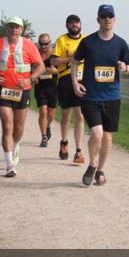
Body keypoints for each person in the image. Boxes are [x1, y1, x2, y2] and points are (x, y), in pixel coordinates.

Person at [72, 5, 129, 187]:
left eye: (110, 16)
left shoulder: (120, 43)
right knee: (96, 133)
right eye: (103, 16)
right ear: (98, 19)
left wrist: (125, 68)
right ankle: (92, 164)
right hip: (91, 96)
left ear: (115, 19)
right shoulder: (88, 42)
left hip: (112, 97)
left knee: (107, 137)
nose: (107, 19)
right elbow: (75, 62)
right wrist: (75, 82)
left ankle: (101, 170)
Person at [0, 17, 45, 178]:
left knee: (18, 127)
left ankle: (16, 145)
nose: (14, 29)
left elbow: (41, 66)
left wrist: (30, 79)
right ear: (7, 28)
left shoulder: (29, 45)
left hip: (22, 90)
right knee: (7, 125)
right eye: (11, 26)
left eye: (17, 27)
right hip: (3, 89)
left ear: (22, 29)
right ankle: (9, 164)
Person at [50, 14, 87, 164]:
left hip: (82, 79)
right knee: (66, 116)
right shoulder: (62, 40)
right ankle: (64, 142)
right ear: (67, 26)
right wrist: (71, 59)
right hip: (65, 79)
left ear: (80, 24)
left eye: (76, 22)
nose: (74, 25)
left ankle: (79, 151)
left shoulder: (86, 40)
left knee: (80, 115)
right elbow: (53, 60)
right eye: (71, 23)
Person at [33, 33, 59, 147]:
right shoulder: (35, 53)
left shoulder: (55, 53)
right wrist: (33, 77)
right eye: (41, 44)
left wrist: (56, 71)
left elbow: (65, 69)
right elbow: (29, 68)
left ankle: (47, 126)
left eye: (46, 44)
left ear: (50, 42)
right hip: (40, 87)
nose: (43, 46)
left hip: (53, 87)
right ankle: (44, 137)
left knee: (51, 114)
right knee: (43, 111)